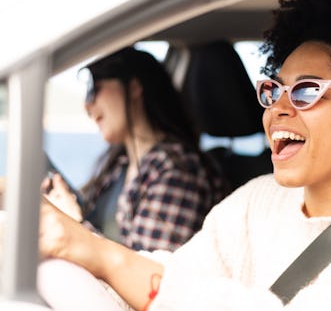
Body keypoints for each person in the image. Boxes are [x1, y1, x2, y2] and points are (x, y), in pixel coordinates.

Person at [38, 0, 331, 310]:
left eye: (306, 92)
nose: (277, 108)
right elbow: (172, 275)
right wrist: (65, 242)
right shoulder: (254, 202)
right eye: (273, 90)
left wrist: (105, 256)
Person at [42, 47, 228, 252]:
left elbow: (148, 274)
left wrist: (72, 226)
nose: (87, 105)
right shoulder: (122, 163)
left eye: (94, 88)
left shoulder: (177, 170)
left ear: (133, 87)